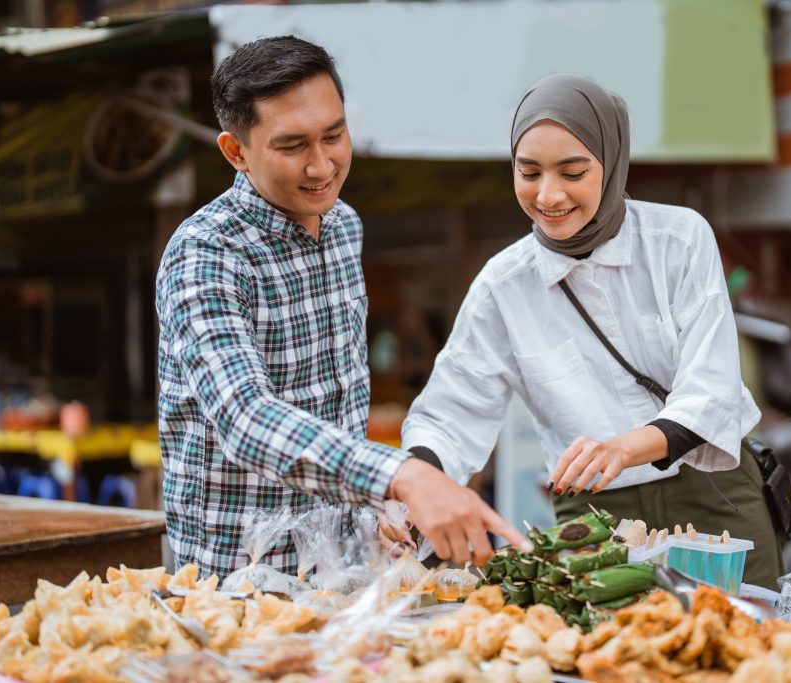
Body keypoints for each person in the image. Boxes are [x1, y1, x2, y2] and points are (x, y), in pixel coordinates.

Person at [155, 35, 529, 579]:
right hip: (240, 581)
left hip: (342, 569)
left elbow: (340, 402)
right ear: (236, 152)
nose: (321, 165)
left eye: (334, 135)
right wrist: (400, 475)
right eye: (292, 147)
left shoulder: (342, 226)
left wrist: (378, 507)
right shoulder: (206, 253)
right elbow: (244, 417)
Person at [401, 74, 782, 589]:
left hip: (712, 496)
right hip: (596, 519)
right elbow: (450, 413)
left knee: (744, 655)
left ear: (612, 161)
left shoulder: (679, 240)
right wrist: (416, 483)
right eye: (528, 172)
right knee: (608, 664)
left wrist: (622, 449)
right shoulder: (503, 285)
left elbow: (710, 391)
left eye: (573, 172)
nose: (548, 194)